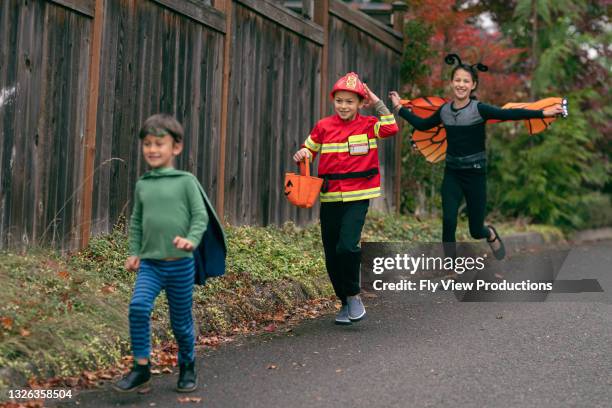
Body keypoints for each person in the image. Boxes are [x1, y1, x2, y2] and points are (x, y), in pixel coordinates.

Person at [389, 54, 564, 259]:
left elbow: (510, 114)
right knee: (449, 222)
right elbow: (422, 125)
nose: (461, 84)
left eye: (466, 81)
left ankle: (489, 233)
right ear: (452, 83)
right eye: (457, 80)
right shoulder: (444, 111)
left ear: (473, 85)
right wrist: (399, 108)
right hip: (452, 173)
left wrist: (544, 113)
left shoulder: (480, 109)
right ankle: (451, 268)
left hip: (475, 175)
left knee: (475, 230)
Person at [293, 72, 399, 325]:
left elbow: (392, 127)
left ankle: (353, 295)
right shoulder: (323, 126)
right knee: (331, 253)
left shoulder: (369, 124)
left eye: (350, 101)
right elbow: (309, 149)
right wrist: (302, 153)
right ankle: (344, 301)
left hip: (358, 196)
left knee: (347, 246)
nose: (343, 106)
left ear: (360, 103)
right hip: (330, 198)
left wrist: (376, 102)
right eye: (339, 100)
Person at [114, 114, 208, 393]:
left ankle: (187, 365)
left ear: (176, 148)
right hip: (151, 265)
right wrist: (134, 252)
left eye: (159, 143)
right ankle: (142, 367)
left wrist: (191, 240)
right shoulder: (143, 184)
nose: (152, 149)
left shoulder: (186, 181)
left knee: (180, 322)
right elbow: (136, 222)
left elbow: (200, 216)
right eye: (147, 144)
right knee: (138, 307)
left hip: (180, 265)